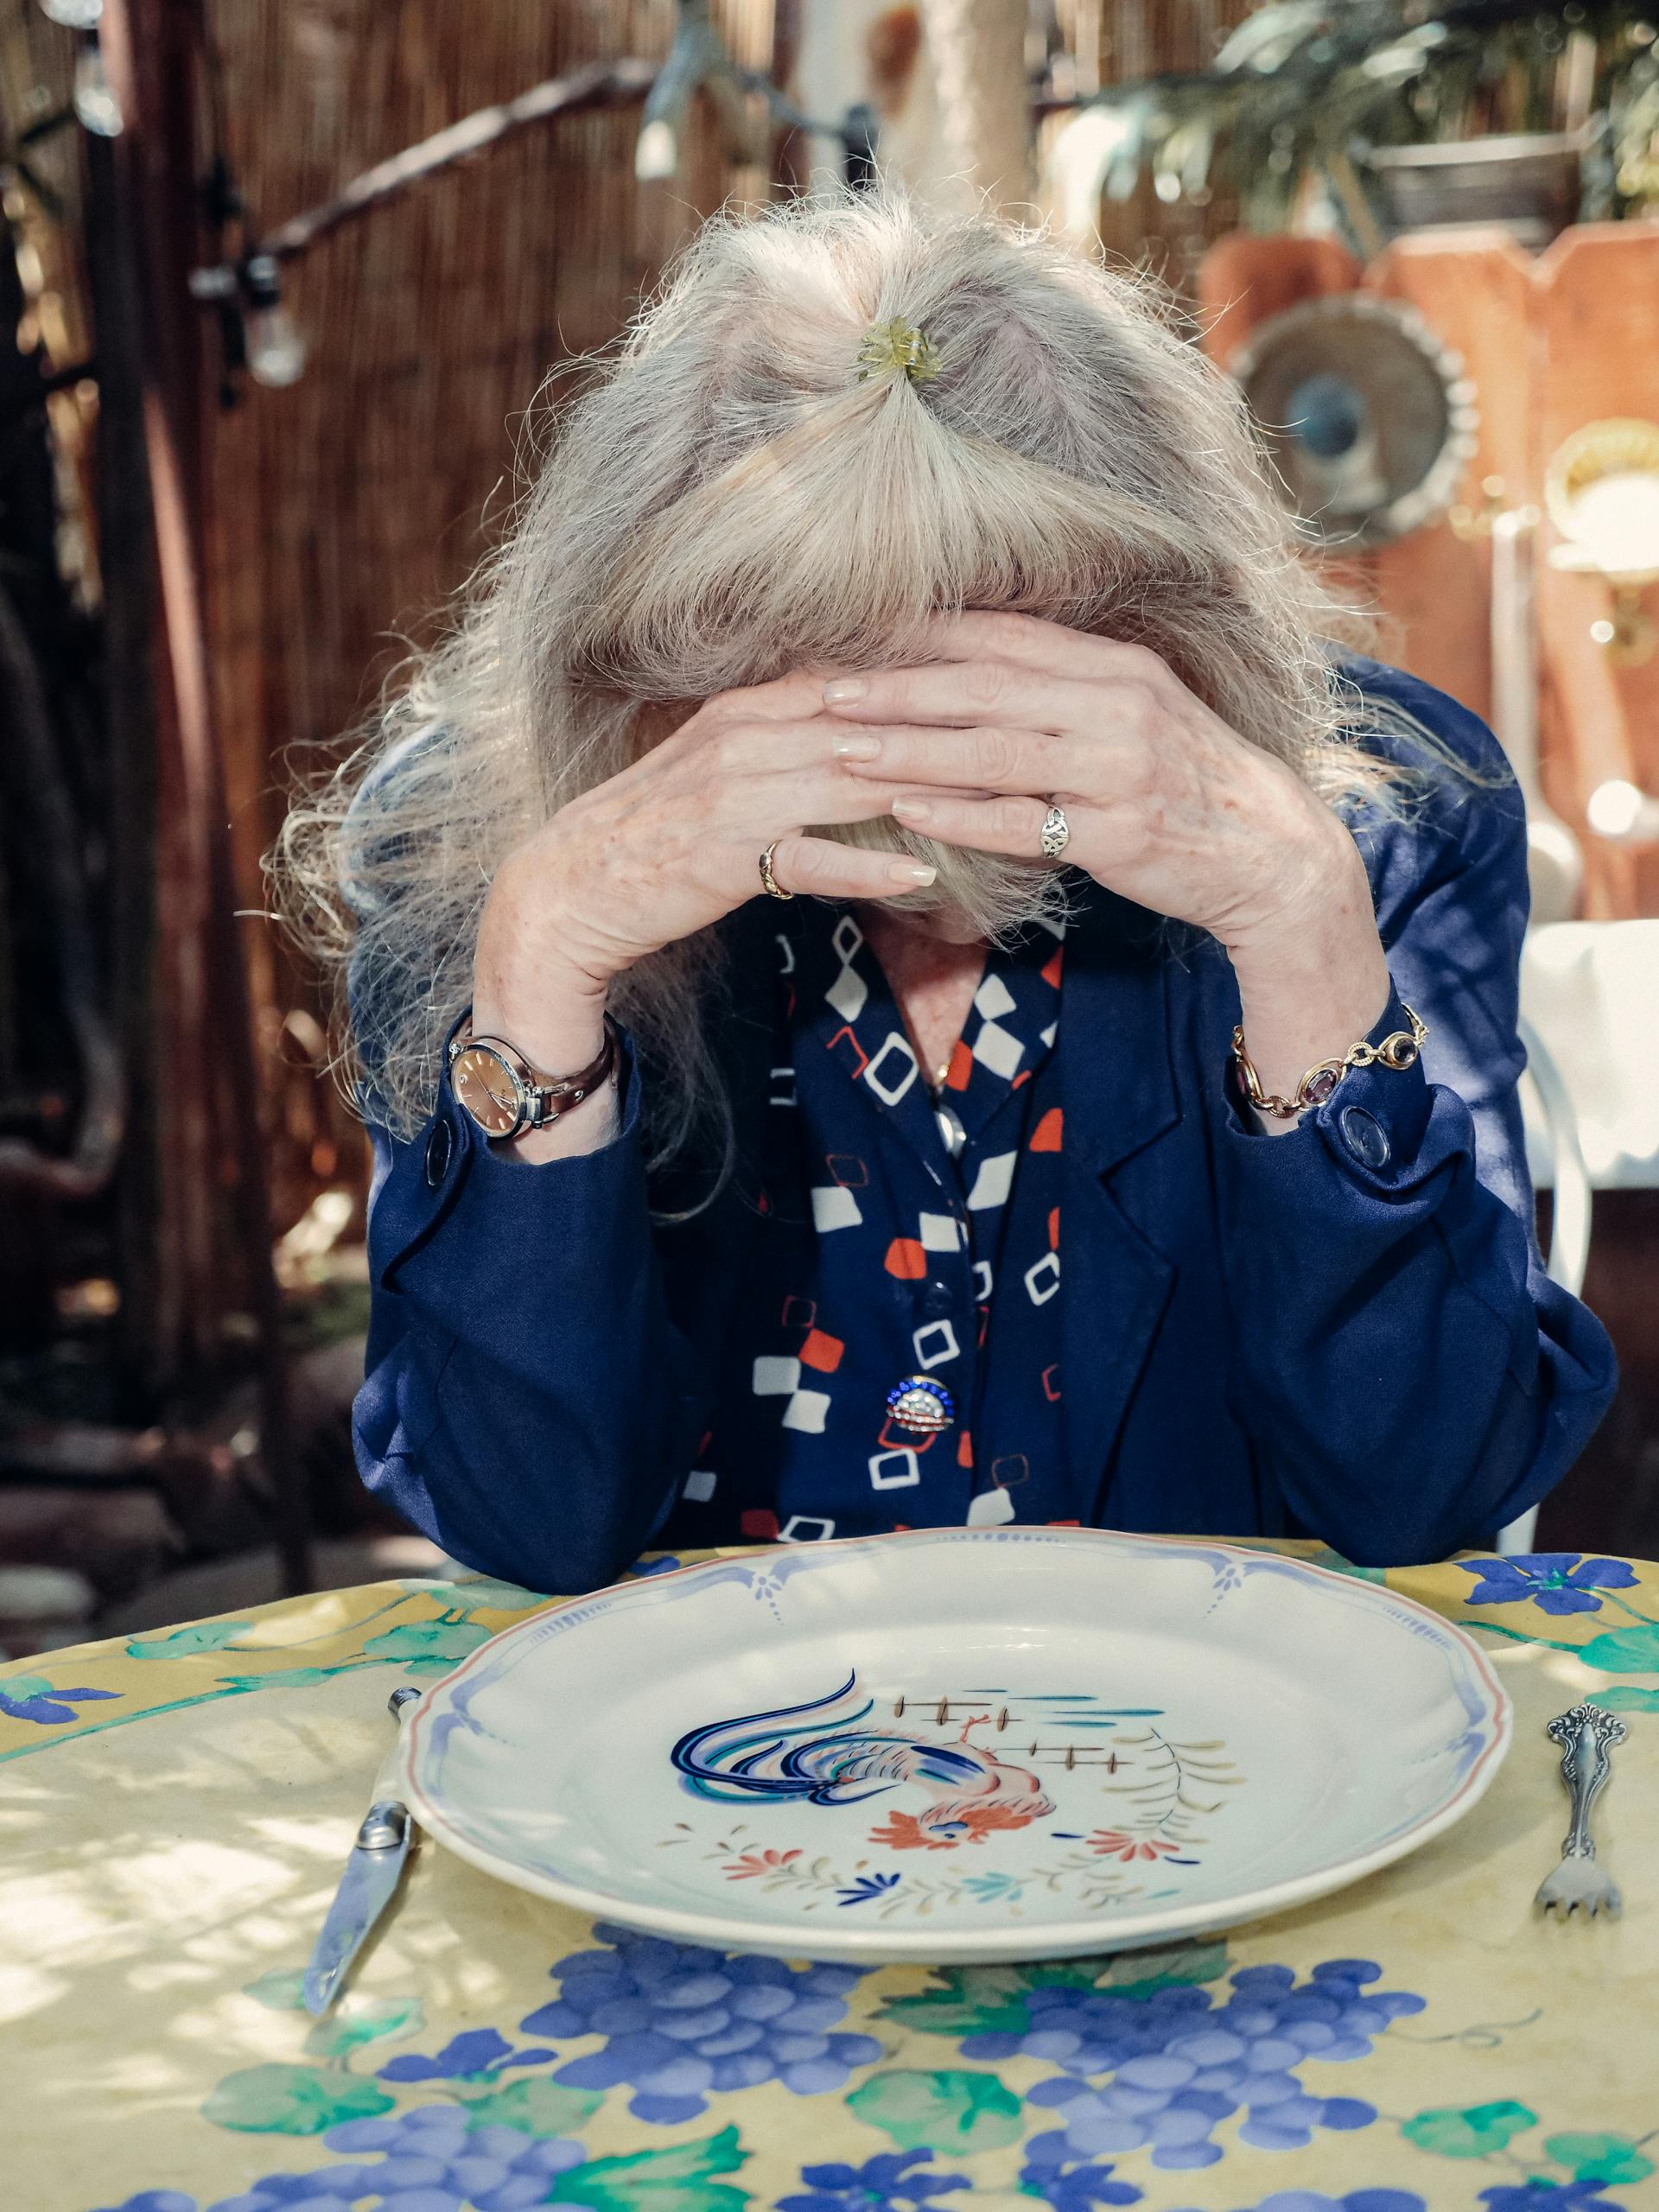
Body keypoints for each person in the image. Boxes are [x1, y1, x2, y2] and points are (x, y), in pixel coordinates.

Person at [276, 186, 1616, 1594]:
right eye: (816, 673)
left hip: (1208, 1752)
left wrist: (1298, 925)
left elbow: (1431, 1492)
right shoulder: (470, 845)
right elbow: (520, 1524)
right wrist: (542, 975)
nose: (917, 747)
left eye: (1007, 660)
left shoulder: (1376, 812)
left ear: (1163, 623)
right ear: (662, 655)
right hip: (683, 1757)